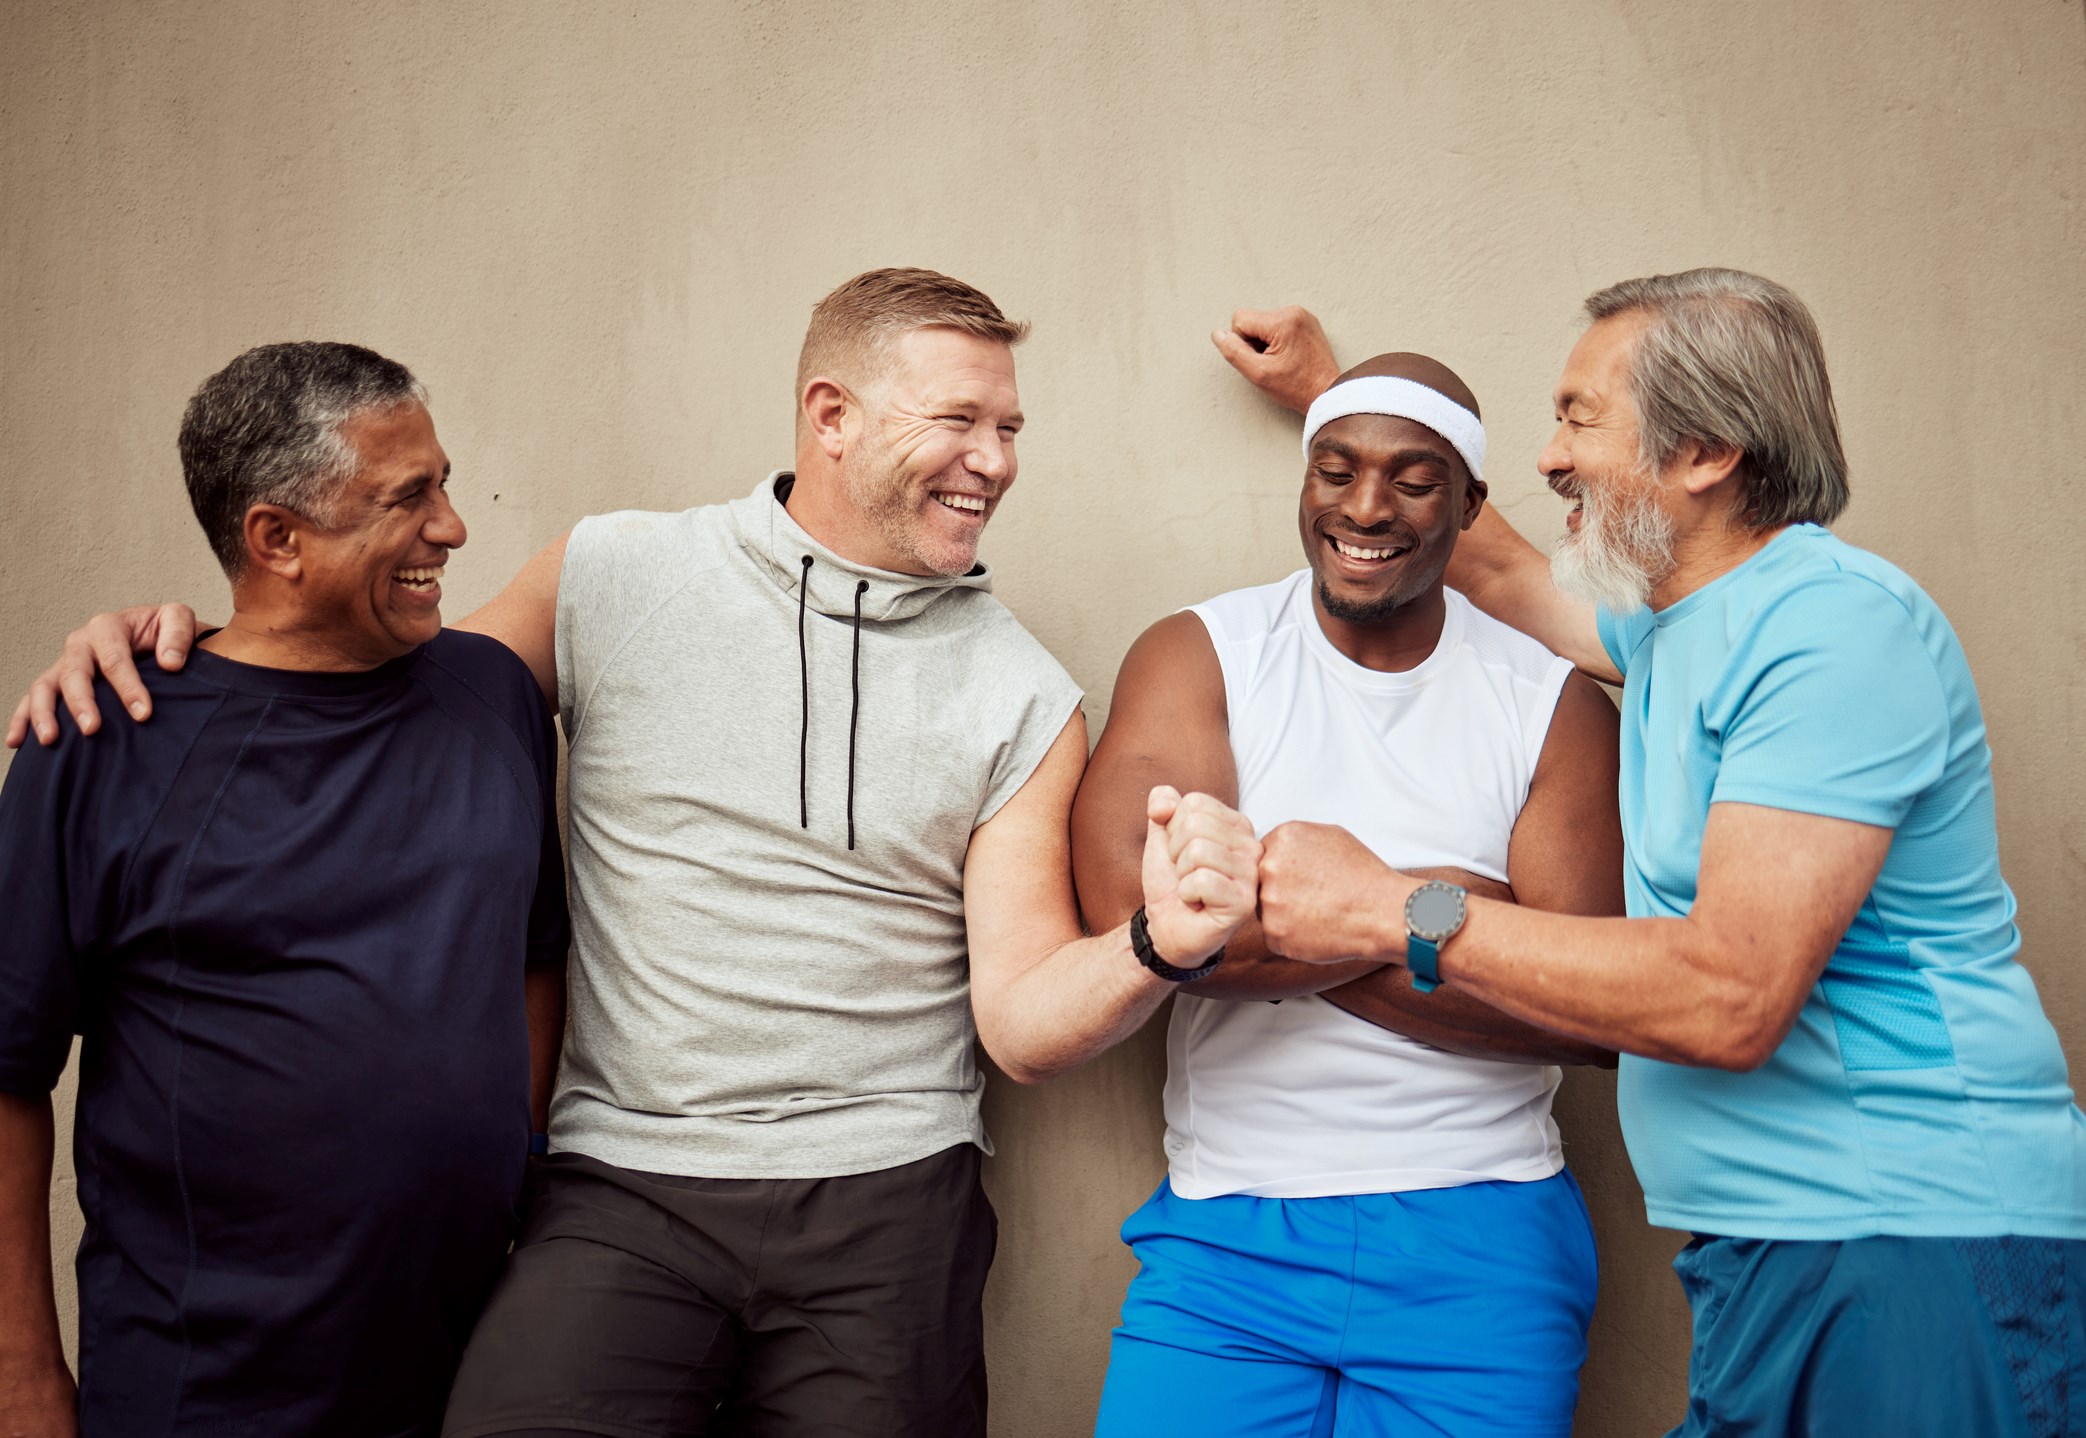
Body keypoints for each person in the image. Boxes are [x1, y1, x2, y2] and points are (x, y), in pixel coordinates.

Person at [8, 269, 1260, 1438]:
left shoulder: (1023, 691)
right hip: (625, 1187)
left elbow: (1024, 1019)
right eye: (960, 421)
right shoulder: (612, 574)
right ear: (830, 413)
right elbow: (354, 670)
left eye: (1012, 429)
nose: (995, 463)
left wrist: (1155, 944)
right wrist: (163, 648)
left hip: (885, 1188)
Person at [1214, 270, 2086, 1437]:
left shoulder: (1828, 631)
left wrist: (1391, 910)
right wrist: (1345, 400)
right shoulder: (1673, 620)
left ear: (1707, 450)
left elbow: (1729, 995)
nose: (1551, 454)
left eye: (1578, 416)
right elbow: (1507, 571)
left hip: (1909, 1239)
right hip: (1776, 1248)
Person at [0, 342, 570, 1438]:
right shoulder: (98, 741)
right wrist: (24, 1378)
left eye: (443, 482)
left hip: (472, 1371)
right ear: (276, 539)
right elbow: (8, 1069)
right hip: (207, 1389)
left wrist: (521, 1162)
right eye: (409, 498)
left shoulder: (491, 697)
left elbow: (534, 953)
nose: (451, 525)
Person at [1069, 349, 1624, 1437]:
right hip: (1228, 1235)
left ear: (1468, 504)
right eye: (1335, 469)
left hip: (1485, 1229)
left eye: (1414, 480)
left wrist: (1310, 905)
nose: (1366, 506)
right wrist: (1449, 909)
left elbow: (1586, 1006)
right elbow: (1131, 930)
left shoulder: (1549, 702)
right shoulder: (1202, 655)